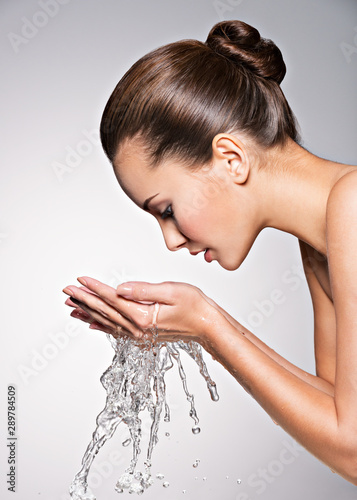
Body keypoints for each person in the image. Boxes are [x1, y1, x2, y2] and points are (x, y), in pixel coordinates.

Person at [62, 20, 357, 485]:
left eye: (167, 209)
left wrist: (208, 324)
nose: (171, 240)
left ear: (231, 159)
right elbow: (337, 413)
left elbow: (354, 449)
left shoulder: (352, 206)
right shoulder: (320, 243)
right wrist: (202, 327)